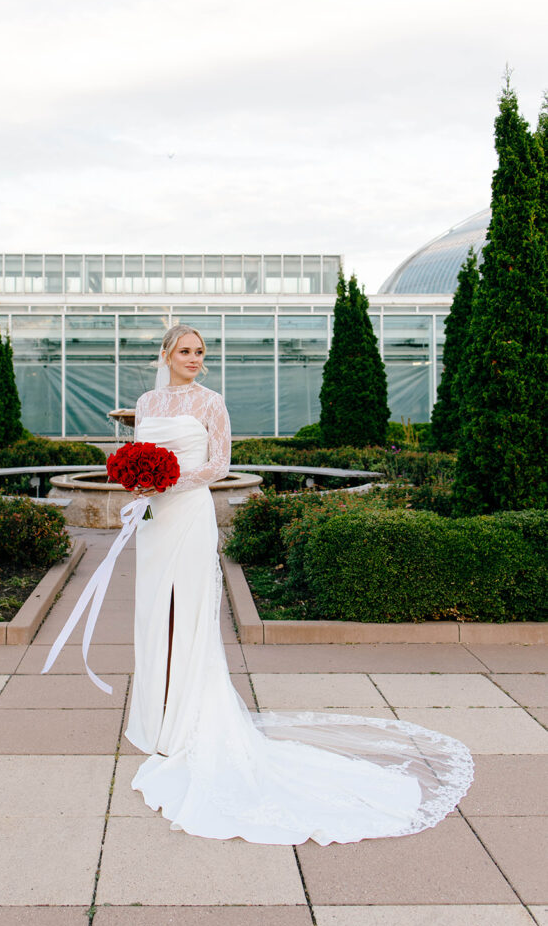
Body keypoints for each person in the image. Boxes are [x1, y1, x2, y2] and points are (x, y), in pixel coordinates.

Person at [123, 324, 474, 845]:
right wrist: (139, 478)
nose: (195, 359)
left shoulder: (211, 403)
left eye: (200, 352)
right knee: (155, 613)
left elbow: (220, 463)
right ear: (166, 355)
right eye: (186, 351)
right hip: (155, 521)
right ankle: (157, 716)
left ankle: (190, 718)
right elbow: (134, 451)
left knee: (191, 610)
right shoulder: (147, 399)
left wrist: (171, 480)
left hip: (190, 513)